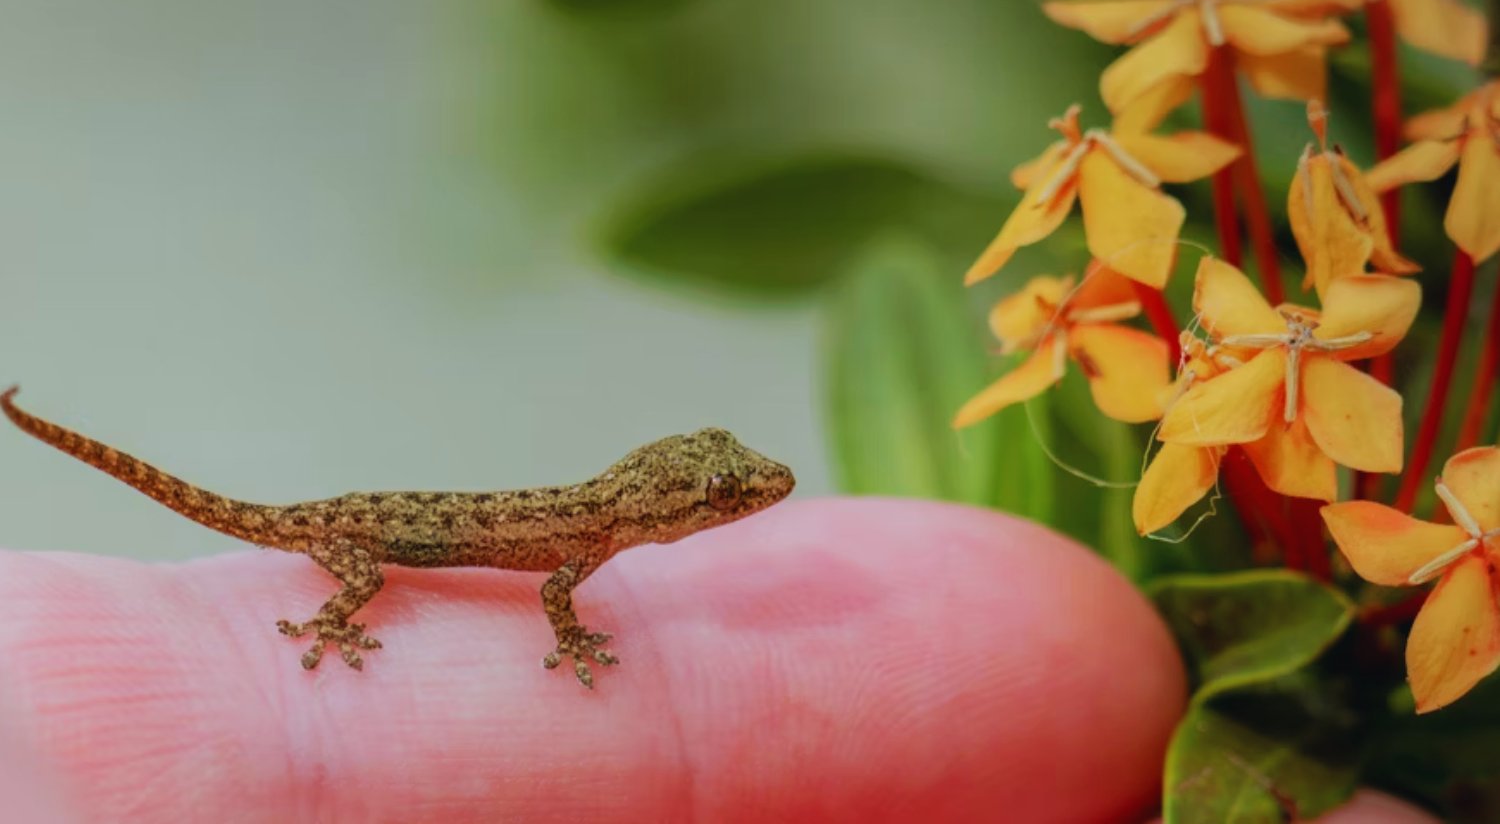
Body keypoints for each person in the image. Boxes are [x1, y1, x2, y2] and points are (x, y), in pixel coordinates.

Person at [0, 497, 1434, 822]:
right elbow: (560, 600)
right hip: (359, 547)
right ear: (670, 507)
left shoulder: (594, 528)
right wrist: (337, 611)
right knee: (344, 588)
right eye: (727, 499)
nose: (748, 502)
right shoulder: (585, 545)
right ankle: (326, 617)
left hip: (370, 525)